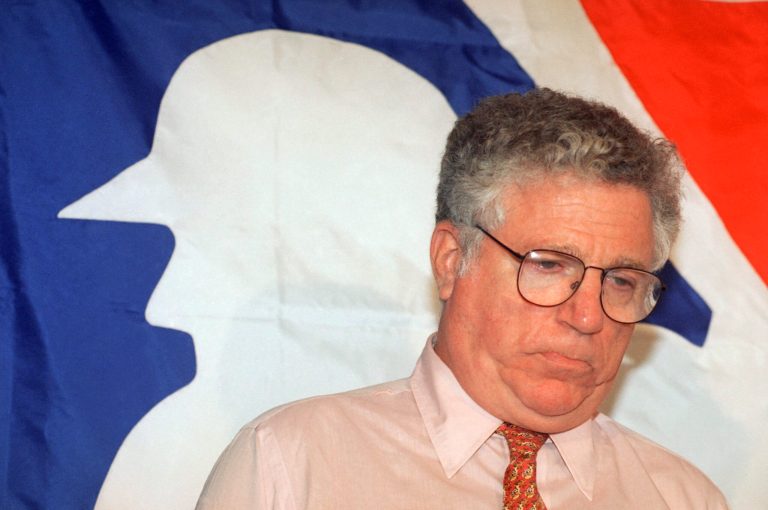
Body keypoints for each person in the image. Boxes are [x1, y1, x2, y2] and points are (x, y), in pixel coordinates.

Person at [195, 88, 729, 509]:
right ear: (452, 260)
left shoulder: (684, 499)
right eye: (548, 265)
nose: (588, 316)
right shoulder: (291, 464)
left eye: (620, 280)